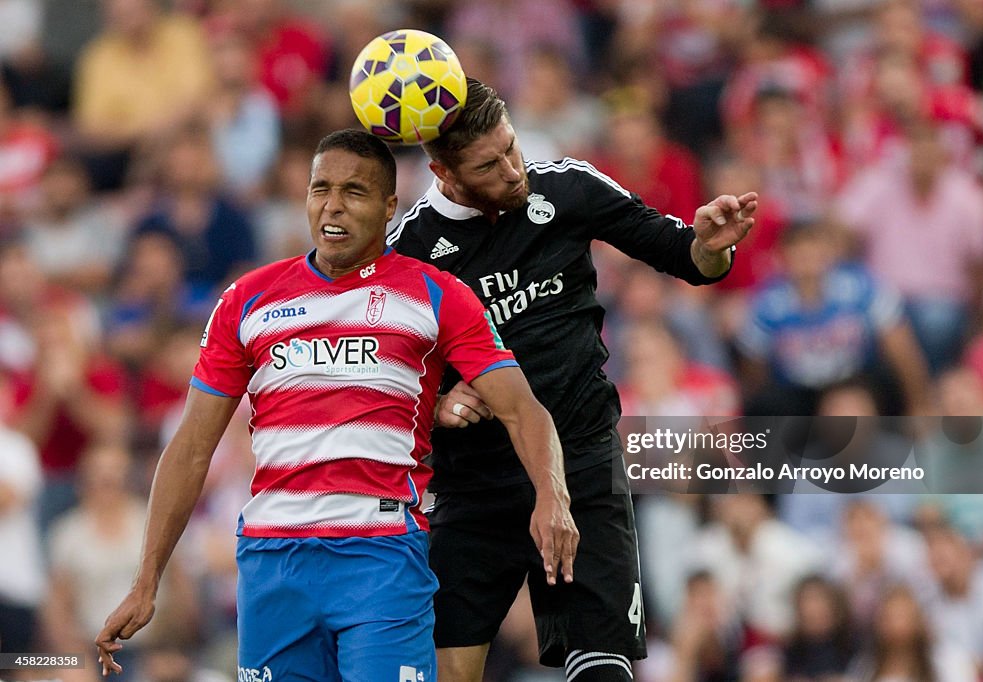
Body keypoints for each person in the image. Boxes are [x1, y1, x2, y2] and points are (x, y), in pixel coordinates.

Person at [94, 129, 578, 682]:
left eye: (355, 190)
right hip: (272, 564)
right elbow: (190, 448)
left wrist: (553, 497)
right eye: (320, 188)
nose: (333, 205)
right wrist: (146, 579)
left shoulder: (436, 294)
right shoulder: (246, 300)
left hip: (382, 559)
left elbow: (523, 409)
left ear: (390, 205)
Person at [387, 77, 757, 681]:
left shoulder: (567, 188)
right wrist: (437, 405)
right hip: (476, 486)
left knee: (603, 667)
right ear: (442, 172)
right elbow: (381, 384)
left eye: (512, 147)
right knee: (445, 670)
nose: (513, 171)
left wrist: (712, 248)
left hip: (583, 462)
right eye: (490, 164)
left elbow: (683, 253)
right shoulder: (412, 254)